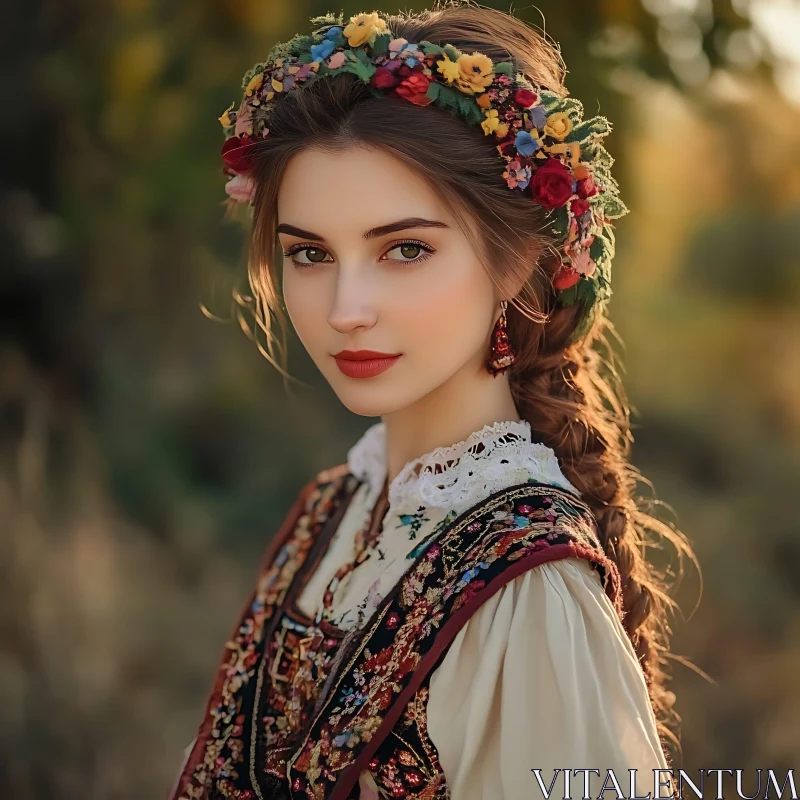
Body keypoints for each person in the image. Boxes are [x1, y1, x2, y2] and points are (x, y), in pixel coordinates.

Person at [170, 2, 694, 798]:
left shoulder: (529, 591)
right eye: (309, 254)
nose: (346, 308)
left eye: (404, 249)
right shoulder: (332, 512)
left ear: (517, 260)